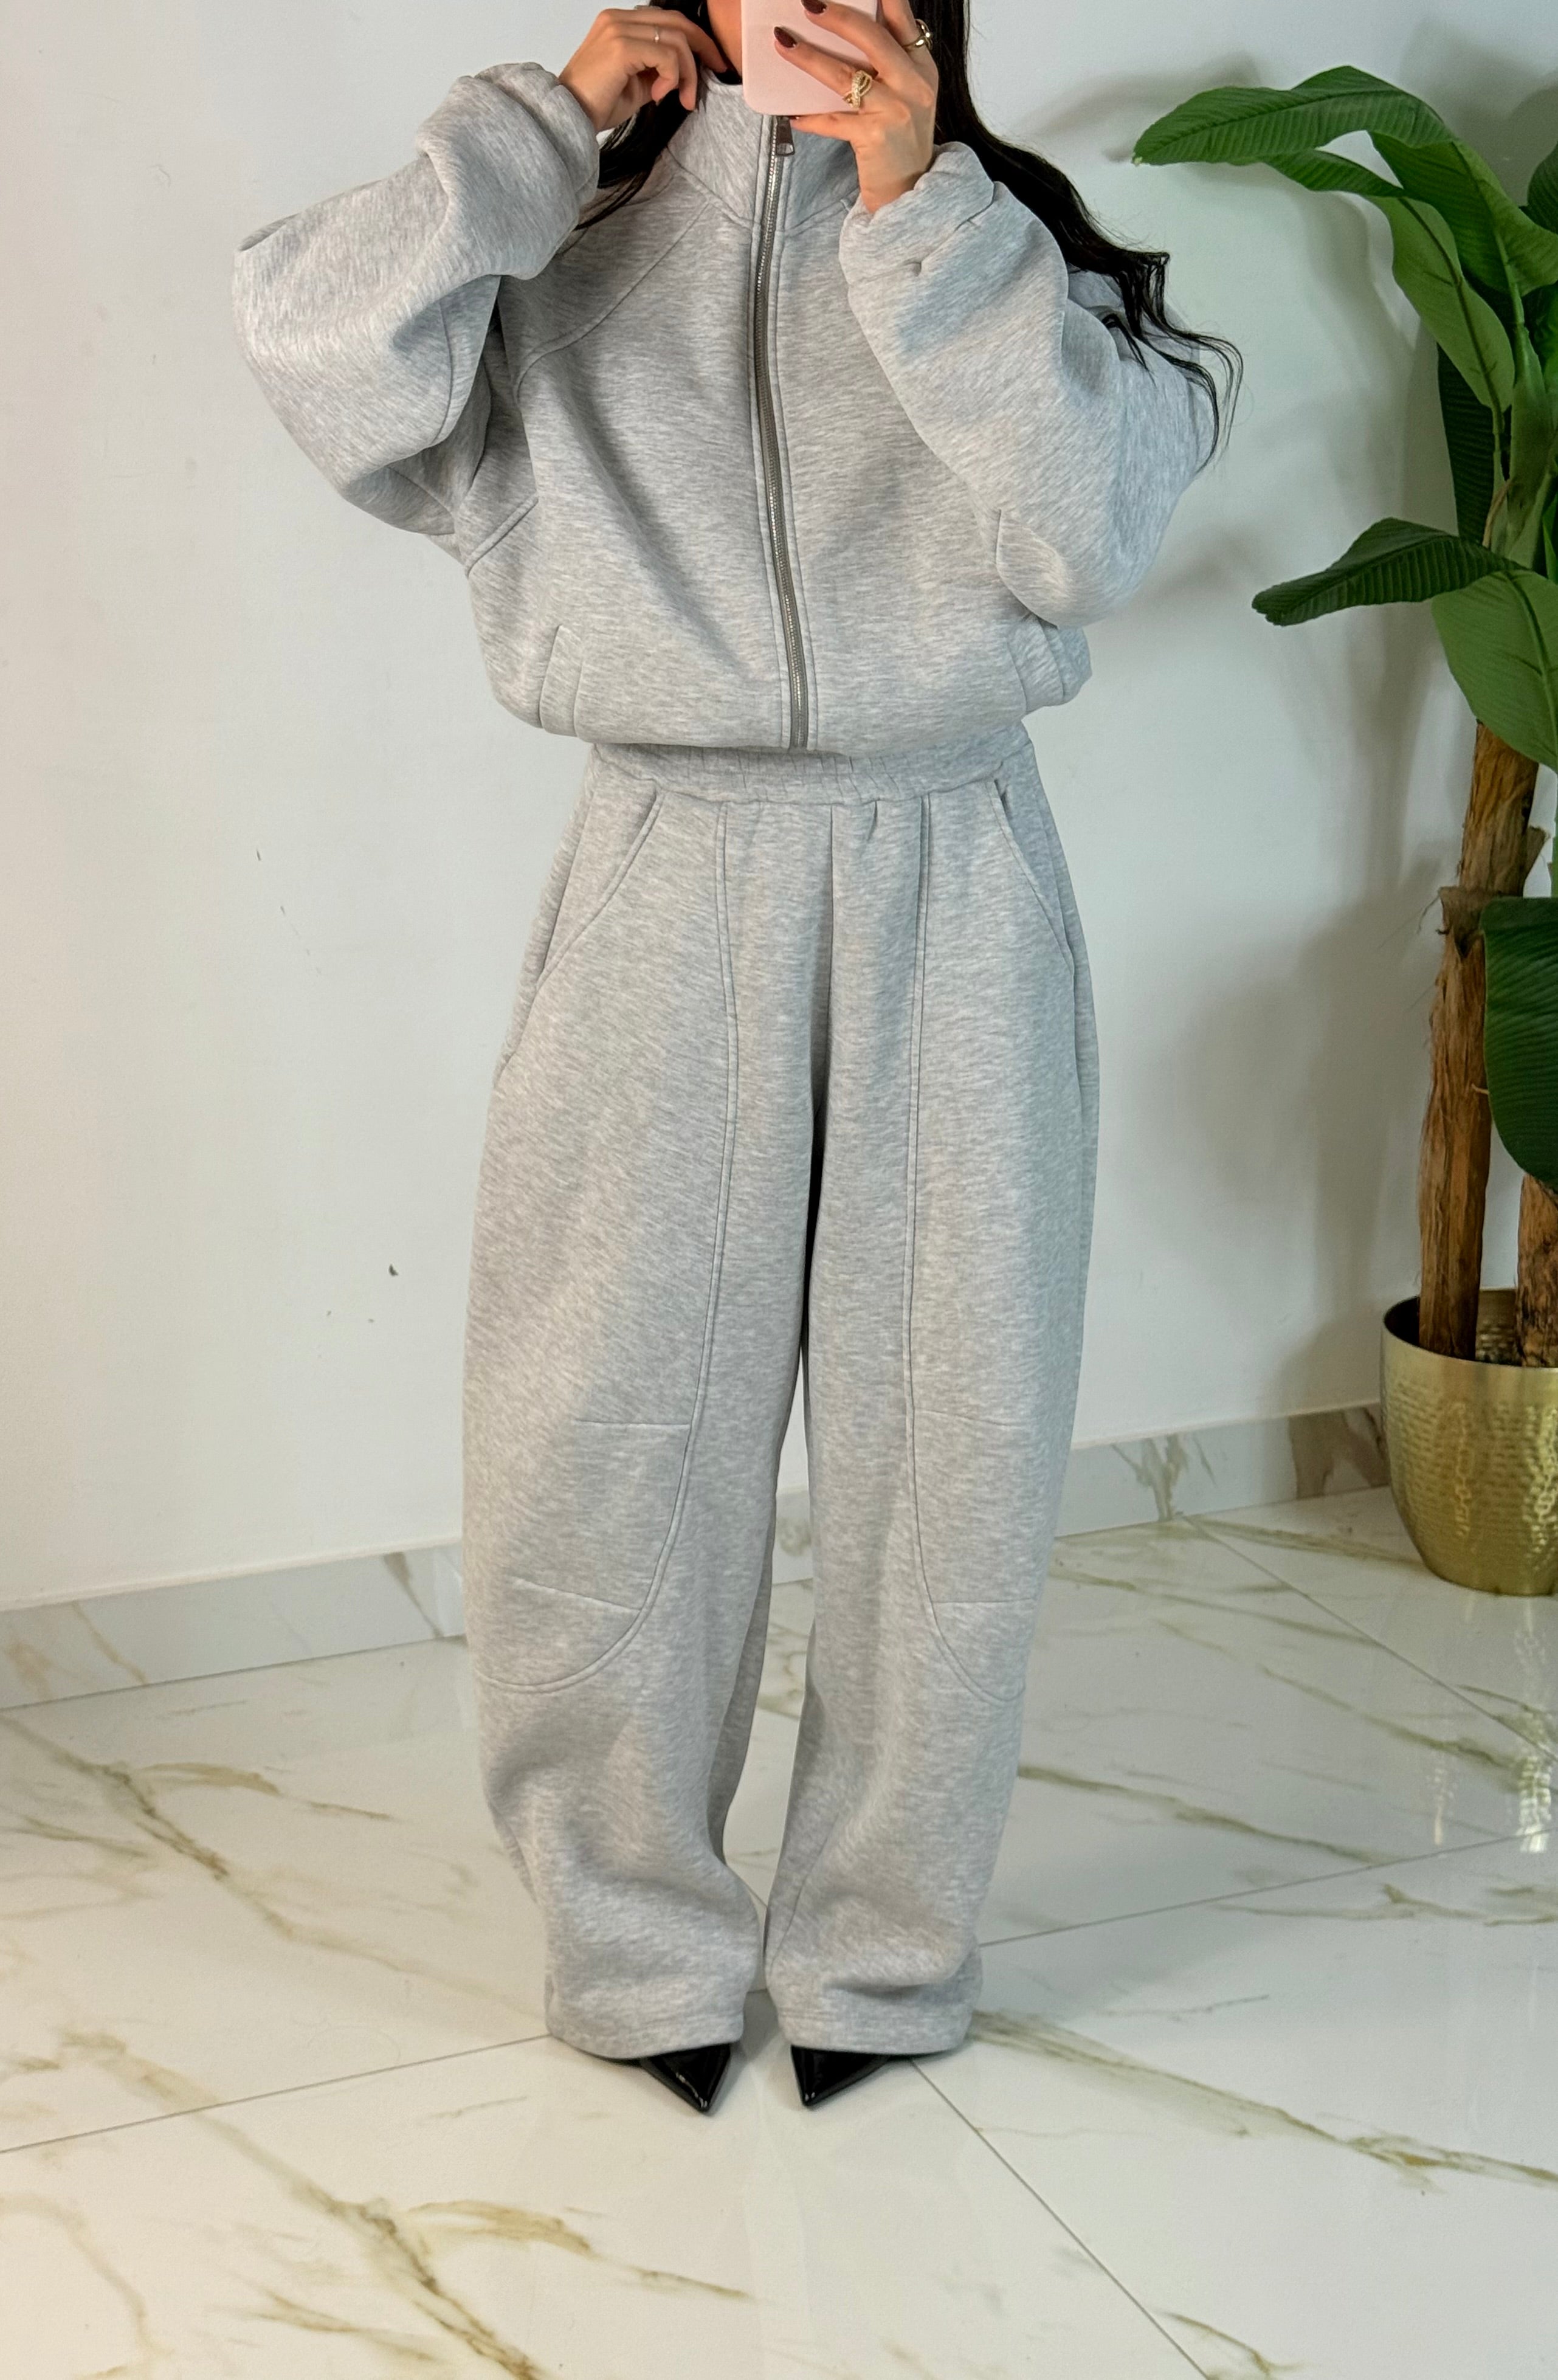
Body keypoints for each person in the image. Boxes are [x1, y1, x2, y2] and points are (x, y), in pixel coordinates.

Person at [232, 0, 1236, 2118]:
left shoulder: (1007, 259)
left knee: (947, 1447)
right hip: (661, 865)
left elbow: (1087, 534)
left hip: (953, 866)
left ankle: (886, 1949)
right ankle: (633, 1940)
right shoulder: (555, 257)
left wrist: (918, 209)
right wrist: (537, 131)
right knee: (600, 1432)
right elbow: (311, 348)